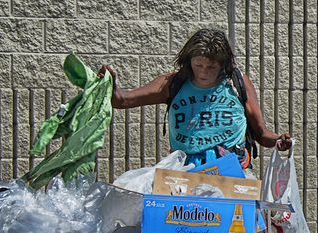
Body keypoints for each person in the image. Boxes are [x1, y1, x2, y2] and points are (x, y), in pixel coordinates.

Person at [99, 28, 292, 168]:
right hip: (184, 170)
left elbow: (261, 134)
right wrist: (111, 84)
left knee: (234, 224)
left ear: (223, 65)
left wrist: (278, 140)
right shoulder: (172, 83)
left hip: (231, 170)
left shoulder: (236, 83)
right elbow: (123, 100)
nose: (204, 73)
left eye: (211, 67)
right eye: (198, 65)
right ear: (189, 61)